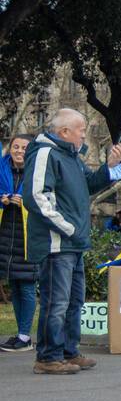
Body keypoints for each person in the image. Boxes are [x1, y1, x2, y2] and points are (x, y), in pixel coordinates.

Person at [21, 109, 121, 374]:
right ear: (64, 132)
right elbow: (36, 197)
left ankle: (68, 352)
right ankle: (47, 358)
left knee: (73, 302)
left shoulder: (72, 157)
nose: (84, 133)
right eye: (80, 129)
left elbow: (89, 184)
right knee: (56, 303)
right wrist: (68, 228)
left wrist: (109, 168)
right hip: (57, 243)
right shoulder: (46, 153)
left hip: (73, 243)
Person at [0, 134, 37, 352]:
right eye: (16, 146)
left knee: (27, 286)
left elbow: (48, 199)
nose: (19, 151)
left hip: (28, 238)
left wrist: (26, 201)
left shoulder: (36, 172)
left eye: (24, 147)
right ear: (10, 149)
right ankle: (20, 334)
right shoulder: (2, 168)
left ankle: (25, 336)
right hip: (6, 237)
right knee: (14, 285)